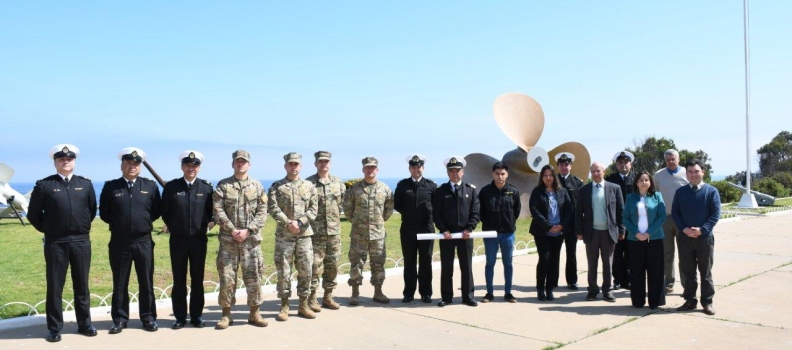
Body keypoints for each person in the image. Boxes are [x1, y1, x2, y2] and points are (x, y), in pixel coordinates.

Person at [28, 144, 97, 342]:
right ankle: (54, 328)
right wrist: (48, 229)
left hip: (81, 241)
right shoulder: (44, 185)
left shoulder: (85, 184)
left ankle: (85, 324)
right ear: (55, 162)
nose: (65, 161)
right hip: (56, 242)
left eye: (69, 159)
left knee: (82, 285)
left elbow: (91, 211)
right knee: (55, 285)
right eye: (61, 159)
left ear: (74, 161)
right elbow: (33, 214)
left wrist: (80, 226)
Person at [99, 147, 161, 333]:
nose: (132, 166)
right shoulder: (111, 186)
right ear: (121, 166)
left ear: (140, 166)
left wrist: (140, 223)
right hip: (120, 241)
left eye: (135, 164)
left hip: (143, 241)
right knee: (119, 282)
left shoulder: (149, 186)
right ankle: (119, 319)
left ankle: (148, 318)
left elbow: (156, 211)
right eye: (128, 163)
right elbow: (104, 213)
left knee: (146, 281)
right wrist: (122, 224)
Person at [212, 150, 269, 329]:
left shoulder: (257, 186)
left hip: (251, 242)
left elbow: (262, 212)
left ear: (249, 165)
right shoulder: (223, 186)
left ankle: (254, 313)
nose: (241, 164)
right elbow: (217, 210)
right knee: (227, 278)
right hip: (229, 242)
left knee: (254, 277)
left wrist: (248, 230)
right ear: (233, 164)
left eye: (244, 162)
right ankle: (226, 314)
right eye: (238, 162)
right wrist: (232, 229)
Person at [160, 150, 214, 329]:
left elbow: (211, 214)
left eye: (195, 165)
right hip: (178, 240)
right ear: (182, 166)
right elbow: (165, 212)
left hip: (199, 240)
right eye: (188, 165)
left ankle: (197, 316)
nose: (191, 168)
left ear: (199, 168)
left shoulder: (206, 188)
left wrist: (207, 227)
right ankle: (180, 317)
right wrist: (174, 227)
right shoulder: (171, 188)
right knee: (179, 279)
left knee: (197, 279)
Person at [269, 152, 318, 321]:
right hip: (284, 236)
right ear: (285, 166)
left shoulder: (309, 186)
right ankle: (284, 306)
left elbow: (313, 209)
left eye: (296, 164)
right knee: (284, 271)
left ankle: (303, 305)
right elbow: (273, 208)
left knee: (306, 271)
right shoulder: (277, 187)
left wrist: (300, 222)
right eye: (290, 164)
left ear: (301, 166)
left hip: (304, 236)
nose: (293, 167)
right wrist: (288, 222)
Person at [343, 156, 394, 305]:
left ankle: (378, 292)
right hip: (359, 234)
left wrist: (377, 222)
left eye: (373, 167)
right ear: (363, 169)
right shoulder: (354, 189)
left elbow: (388, 210)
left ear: (377, 170)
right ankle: (355, 293)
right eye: (367, 167)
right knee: (356, 263)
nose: (370, 170)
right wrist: (358, 222)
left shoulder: (385, 189)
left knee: (378, 263)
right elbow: (347, 209)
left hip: (377, 234)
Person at [672, 160, 720, 316]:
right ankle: (690, 300)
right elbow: (676, 213)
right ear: (686, 174)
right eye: (690, 172)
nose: (693, 174)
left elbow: (715, 214)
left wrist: (702, 230)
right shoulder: (680, 192)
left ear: (703, 172)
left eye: (696, 171)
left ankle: (707, 302)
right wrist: (684, 228)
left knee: (705, 272)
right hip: (685, 237)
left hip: (704, 239)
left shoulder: (711, 191)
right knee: (688, 272)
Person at [432, 156, 481, 307]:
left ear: (463, 172)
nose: (454, 173)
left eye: (457, 171)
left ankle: (468, 297)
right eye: (451, 171)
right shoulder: (441, 191)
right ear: (447, 173)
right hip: (447, 235)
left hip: (465, 235)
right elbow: (436, 213)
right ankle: (446, 297)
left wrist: (469, 228)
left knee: (466, 267)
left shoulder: (471, 190)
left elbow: (476, 212)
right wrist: (444, 230)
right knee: (447, 267)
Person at [576, 162, 624, 302]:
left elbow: (620, 211)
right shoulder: (584, 190)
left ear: (604, 171)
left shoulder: (614, 188)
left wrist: (622, 229)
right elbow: (579, 212)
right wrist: (579, 231)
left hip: (609, 232)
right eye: (593, 171)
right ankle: (592, 290)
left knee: (608, 263)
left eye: (598, 171)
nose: (595, 174)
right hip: (591, 232)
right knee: (592, 263)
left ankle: (608, 291)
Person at [394, 154, 437, 303]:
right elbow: (397, 204)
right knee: (409, 261)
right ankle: (408, 293)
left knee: (426, 261)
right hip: (408, 229)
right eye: (413, 167)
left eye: (418, 167)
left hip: (427, 229)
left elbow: (436, 206)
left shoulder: (431, 186)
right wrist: (409, 213)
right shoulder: (403, 185)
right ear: (409, 169)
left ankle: (426, 293)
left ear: (423, 168)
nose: (416, 169)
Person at [306, 151, 346, 310]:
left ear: (330, 163)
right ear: (315, 163)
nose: (324, 164)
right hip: (316, 233)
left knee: (333, 265)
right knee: (314, 267)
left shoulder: (338, 183)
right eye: (320, 161)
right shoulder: (308, 184)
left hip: (334, 233)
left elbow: (343, 204)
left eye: (326, 161)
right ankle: (312, 298)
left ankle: (328, 297)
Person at [623, 171, 666, 309]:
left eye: (646, 180)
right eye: (641, 180)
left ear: (650, 183)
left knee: (656, 271)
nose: (644, 182)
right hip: (635, 240)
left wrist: (648, 233)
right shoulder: (630, 198)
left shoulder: (657, 196)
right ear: (636, 183)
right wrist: (636, 233)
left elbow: (661, 216)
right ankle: (638, 301)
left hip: (654, 239)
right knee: (636, 271)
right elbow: (625, 218)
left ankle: (655, 302)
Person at [478, 162, 521, 303]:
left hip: (508, 234)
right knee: (490, 263)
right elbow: (481, 212)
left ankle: (508, 293)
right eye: (497, 173)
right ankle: (489, 293)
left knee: (508, 264)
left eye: (503, 174)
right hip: (490, 234)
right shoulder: (485, 192)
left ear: (507, 175)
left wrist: (507, 223)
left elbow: (516, 211)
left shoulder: (513, 191)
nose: (500, 176)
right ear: (493, 174)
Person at [529, 165, 573, 301]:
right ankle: (540, 289)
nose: (548, 178)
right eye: (545, 175)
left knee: (554, 260)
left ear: (554, 176)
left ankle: (550, 289)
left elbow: (569, 209)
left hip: (558, 232)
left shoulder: (562, 191)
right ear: (541, 177)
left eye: (550, 175)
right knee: (544, 259)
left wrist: (561, 226)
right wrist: (548, 226)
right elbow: (534, 210)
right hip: (542, 232)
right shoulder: (537, 192)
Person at [654, 149, 688, 294]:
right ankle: (669, 282)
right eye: (668, 159)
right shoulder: (658, 175)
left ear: (678, 159)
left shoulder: (687, 173)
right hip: (665, 219)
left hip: (683, 219)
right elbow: (655, 195)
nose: (671, 162)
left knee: (684, 254)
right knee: (667, 254)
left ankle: (687, 283)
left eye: (673, 159)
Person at [605, 151, 635, 290]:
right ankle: (617, 279)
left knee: (631, 252)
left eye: (625, 162)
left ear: (631, 164)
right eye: (620, 163)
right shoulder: (610, 180)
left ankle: (629, 279)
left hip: (633, 222)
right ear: (616, 165)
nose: (623, 165)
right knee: (616, 252)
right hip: (615, 222)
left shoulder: (637, 179)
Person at [555, 152, 585, 290]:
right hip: (556, 224)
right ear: (558, 166)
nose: (564, 167)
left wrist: (580, 228)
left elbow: (581, 207)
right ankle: (552, 280)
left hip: (572, 225)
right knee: (554, 254)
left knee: (571, 254)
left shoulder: (577, 182)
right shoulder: (553, 181)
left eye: (566, 164)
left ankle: (572, 280)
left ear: (571, 166)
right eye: (561, 165)